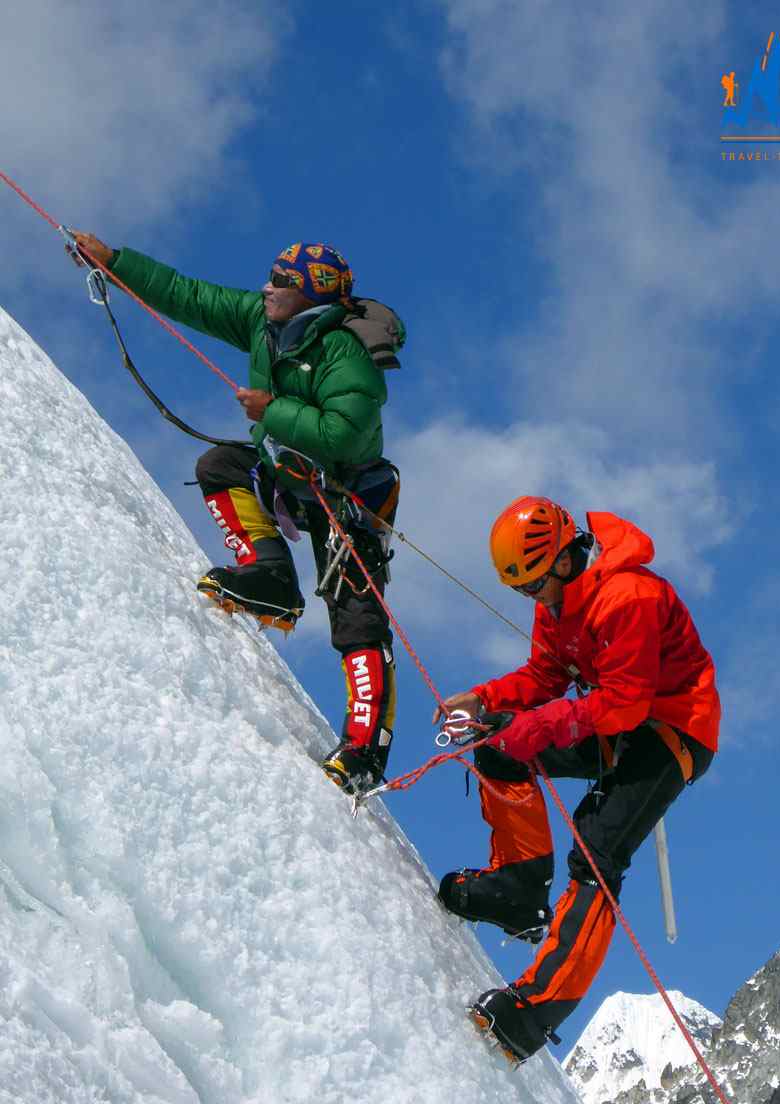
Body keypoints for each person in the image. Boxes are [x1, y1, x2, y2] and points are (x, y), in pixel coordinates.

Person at [71, 232, 404, 794]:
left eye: (280, 282)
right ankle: (272, 577)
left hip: (342, 496)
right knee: (222, 466)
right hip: (288, 472)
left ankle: (364, 750)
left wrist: (273, 409)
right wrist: (116, 262)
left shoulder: (345, 355)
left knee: (355, 613)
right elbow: (189, 296)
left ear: (309, 297)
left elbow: (342, 438)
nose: (267, 287)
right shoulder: (262, 321)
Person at [433, 495, 720, 1063]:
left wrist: (539, 725)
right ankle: (517, 892)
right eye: (520, 591)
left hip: (673, 729)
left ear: (564, 561)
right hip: (616, 718)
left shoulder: (628, 596)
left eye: (534, 585)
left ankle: (532, 1013)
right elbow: (546, 675)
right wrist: (487, 700)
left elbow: (627, 705)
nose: (530, 599)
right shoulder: (556, 603)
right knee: (500, 748)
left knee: (597, 851)